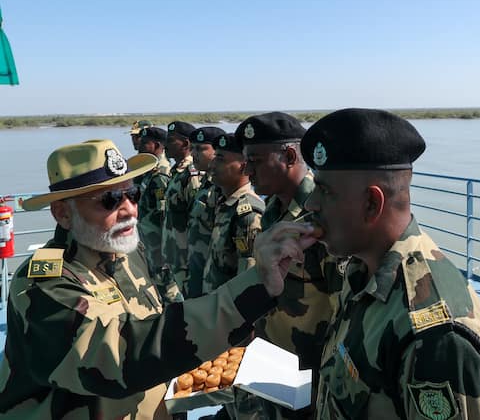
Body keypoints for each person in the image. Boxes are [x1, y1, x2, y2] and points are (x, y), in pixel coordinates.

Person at [0, 139, 287, 419]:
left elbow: (154, 327)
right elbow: (115, 358)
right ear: (63, 213)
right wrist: (249, 293)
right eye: (109, 200)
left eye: (132, 194)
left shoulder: (127, 253)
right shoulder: (43, 282)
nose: (129, 209)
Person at [257, 108, 480, 419]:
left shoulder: (436, 336)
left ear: (372, 204)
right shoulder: (362, 272)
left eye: (325, 191)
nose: (311, 203)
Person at [232, 112, 345, 418]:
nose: (247, 170)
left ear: (290, 156)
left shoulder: (322, 223)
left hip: (310, 378)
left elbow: (344, 311)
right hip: (274, 363)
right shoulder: (271, 212)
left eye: (255, 160)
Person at [202, 133, 264, 293]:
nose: (212, 165)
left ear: (243, 166)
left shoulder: (247, 213)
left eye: (221, 159)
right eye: (214, 157)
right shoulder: (226, 203)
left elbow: (248, 279)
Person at [135, 126, 181, 304]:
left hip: (158, 244)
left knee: (168, 288)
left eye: (144, 143)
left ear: (156, 145)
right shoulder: (150, 169)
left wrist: (165, 250)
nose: (140, 145)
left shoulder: (161, 174)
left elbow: (163, 216)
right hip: (149, 240)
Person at [162, 120, 201, 296]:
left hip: (186, 256)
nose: (165, 145)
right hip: (174, 252)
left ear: (185, 144)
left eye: (171, 141)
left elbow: (197, 218)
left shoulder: (192, 174)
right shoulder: (176, 171)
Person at [186, 126, 225, 298]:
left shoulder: (221, 189)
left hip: (213, 282)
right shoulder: (205, 185)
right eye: (193, 148)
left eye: (201, 149)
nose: (194, 154)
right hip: (197, 273)